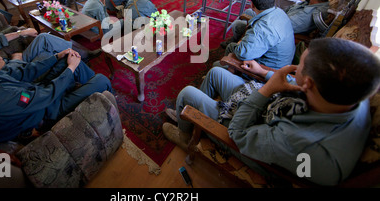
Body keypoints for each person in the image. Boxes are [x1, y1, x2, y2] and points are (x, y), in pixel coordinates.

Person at [163, 37, 380, 186]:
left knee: (187, 93)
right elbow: (302, 85)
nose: (294, 69)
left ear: (310, 84)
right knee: (215, 73)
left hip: (246, 131)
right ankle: (200, 113)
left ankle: (188, 130)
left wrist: (267, 89)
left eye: (299, 67)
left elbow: (237, 134)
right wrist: (264, 73)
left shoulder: (294, 142)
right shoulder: (351, 95)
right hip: (267, 104)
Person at [0, 37, 113, 143]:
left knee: (68, 60)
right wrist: (70, 69)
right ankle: (102, 100)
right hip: (43, 113)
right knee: (101, 79)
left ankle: (88, 91)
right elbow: (44, 96)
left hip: (33, 94)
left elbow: (25, 72)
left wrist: (57, 57)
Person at [223, 0, 336, 46]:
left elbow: (279, 27)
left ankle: (237, 41)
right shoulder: (312, 5)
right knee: (249, 10)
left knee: (239, 24)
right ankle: (236, 38)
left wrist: (264, 16)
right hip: (277, 18)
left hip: (274, 28)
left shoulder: (307, 16)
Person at [222, 0, 295, 69]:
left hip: (269, 70)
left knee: (218, 65)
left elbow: (243, 54)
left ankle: (226, 68)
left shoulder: (262, 28)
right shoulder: (279, 12)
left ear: (252, 5)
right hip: (282, 62)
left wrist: (240, 43)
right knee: (238, 26)